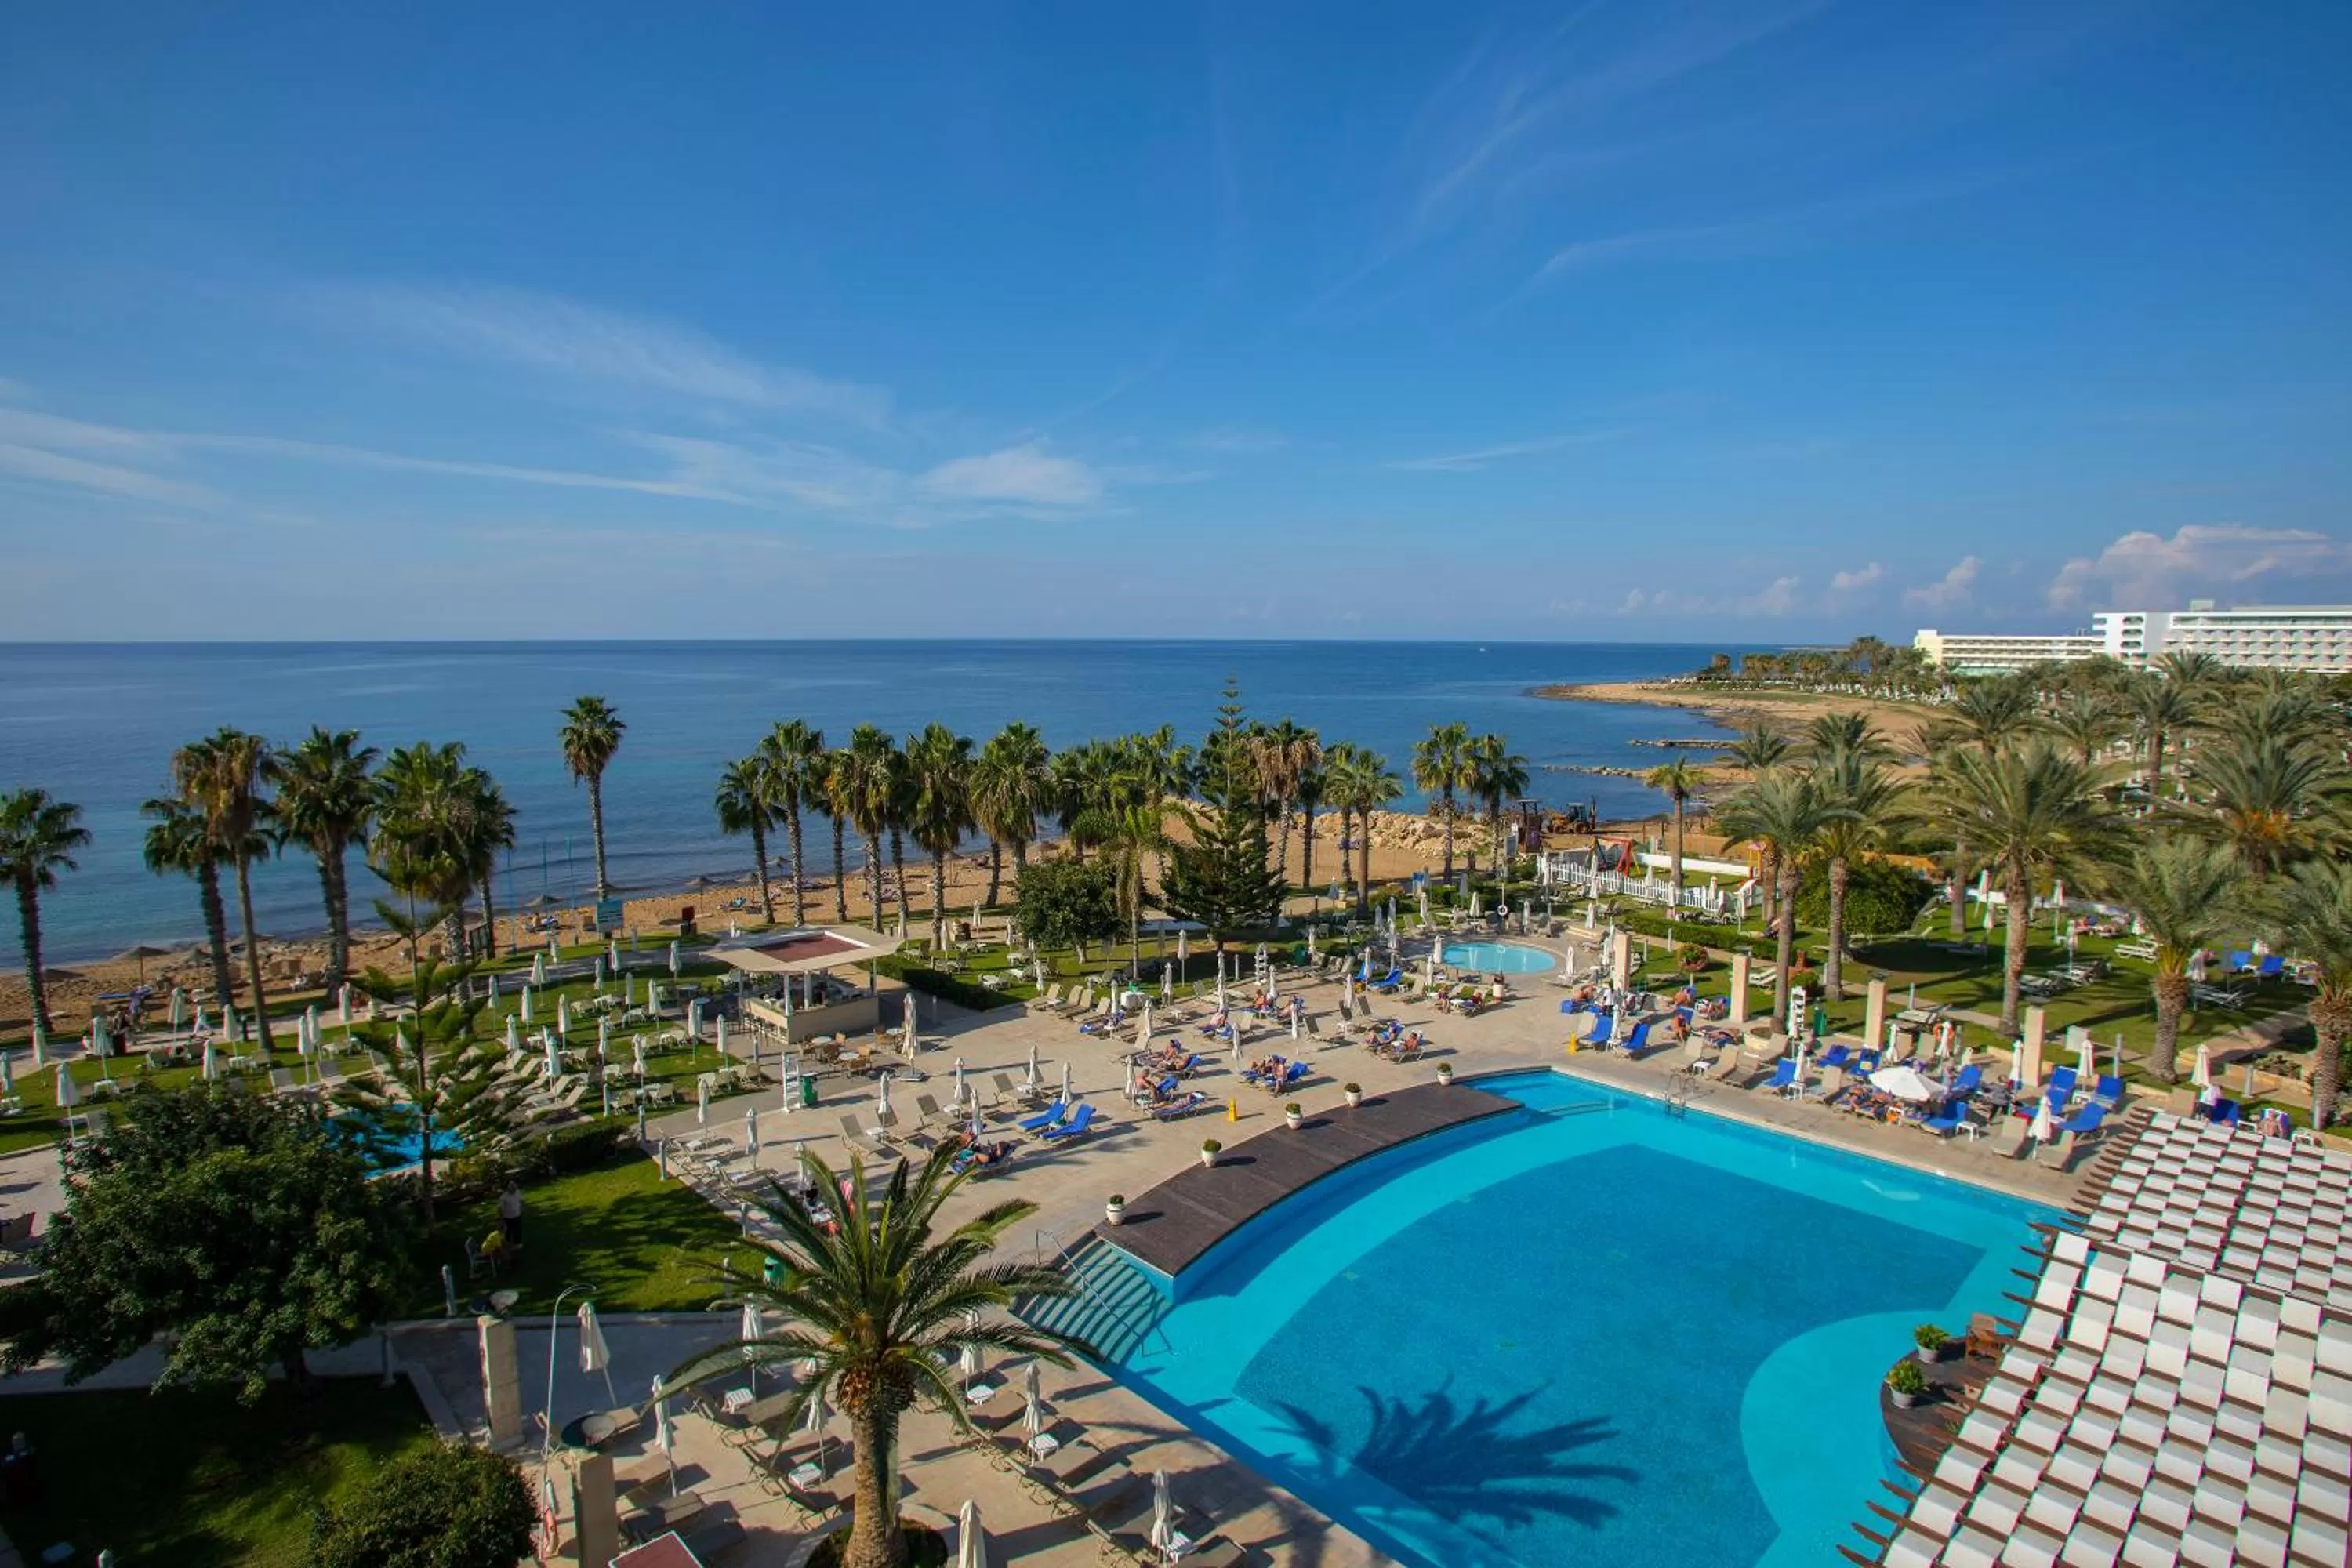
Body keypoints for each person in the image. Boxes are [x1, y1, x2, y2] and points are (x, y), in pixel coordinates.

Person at [498, 1181, 524, 1250]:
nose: (513, 1187)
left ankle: (518, 1244)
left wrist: (522, 1209)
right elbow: (499, 1208)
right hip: (508, 1218)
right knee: (507, 1232)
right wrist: (501, 1218)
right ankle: (507, 1245)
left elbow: (521, 1201)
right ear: (508, 1188)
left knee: (517, 1230)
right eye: (511, 1186)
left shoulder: (518, 1192)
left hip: (517, 1215)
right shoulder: (504, 1197)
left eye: (514, 1185)